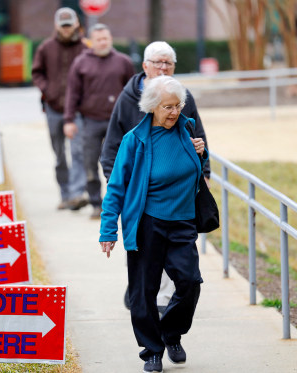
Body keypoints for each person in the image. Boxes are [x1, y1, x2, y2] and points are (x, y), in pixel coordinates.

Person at [99, 75, 206, 373]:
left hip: (183, 222)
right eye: (168, 107)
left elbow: (193, 169)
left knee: (190, 282)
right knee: (143, 291)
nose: (175, 112)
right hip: (148, 223)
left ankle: (170, 333)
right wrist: (108, 230)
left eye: (178, 105)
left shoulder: (186, 129)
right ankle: (152, 350)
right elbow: (116, 187)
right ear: (152, 107)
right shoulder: (135, 140)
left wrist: (202, 153)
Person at [101, 41, 211, 314]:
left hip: (178, 209)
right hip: (140, 196)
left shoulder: (182, 99)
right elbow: (114, 144)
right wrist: (115, 181)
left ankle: (164, 311)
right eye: (158, 63)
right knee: (146, 269)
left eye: (168, 63)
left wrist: (203, 165)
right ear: (145, 66)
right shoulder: (128, 101)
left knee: (183, 276)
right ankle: (147, 300)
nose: (163, 68)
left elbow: (197, 137)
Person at [63, 24, 135, 219]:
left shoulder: (123, 62)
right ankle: (97, 204)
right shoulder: (80, 63)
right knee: (90, 163)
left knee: (122, 162)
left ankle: (123, 201)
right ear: (91, 42)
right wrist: (69, 120)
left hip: (119, 122)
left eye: (106, 39)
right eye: (99, 39)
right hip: (91, 121)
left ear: (110, 39)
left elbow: (134, 93)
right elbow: (72, 93)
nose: (103, 42)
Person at [31, 7, 89, 211]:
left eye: (69, 25)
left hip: (77, 111)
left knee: (78, 151)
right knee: (59, 154)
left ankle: (76, 194)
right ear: (57, 26)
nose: (66, 29)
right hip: (54, 108)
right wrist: (48, 90)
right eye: (62, 25)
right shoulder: (45, 48)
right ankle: (65, 194)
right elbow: (36, 72)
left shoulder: (84, 48)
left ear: (76, 24)